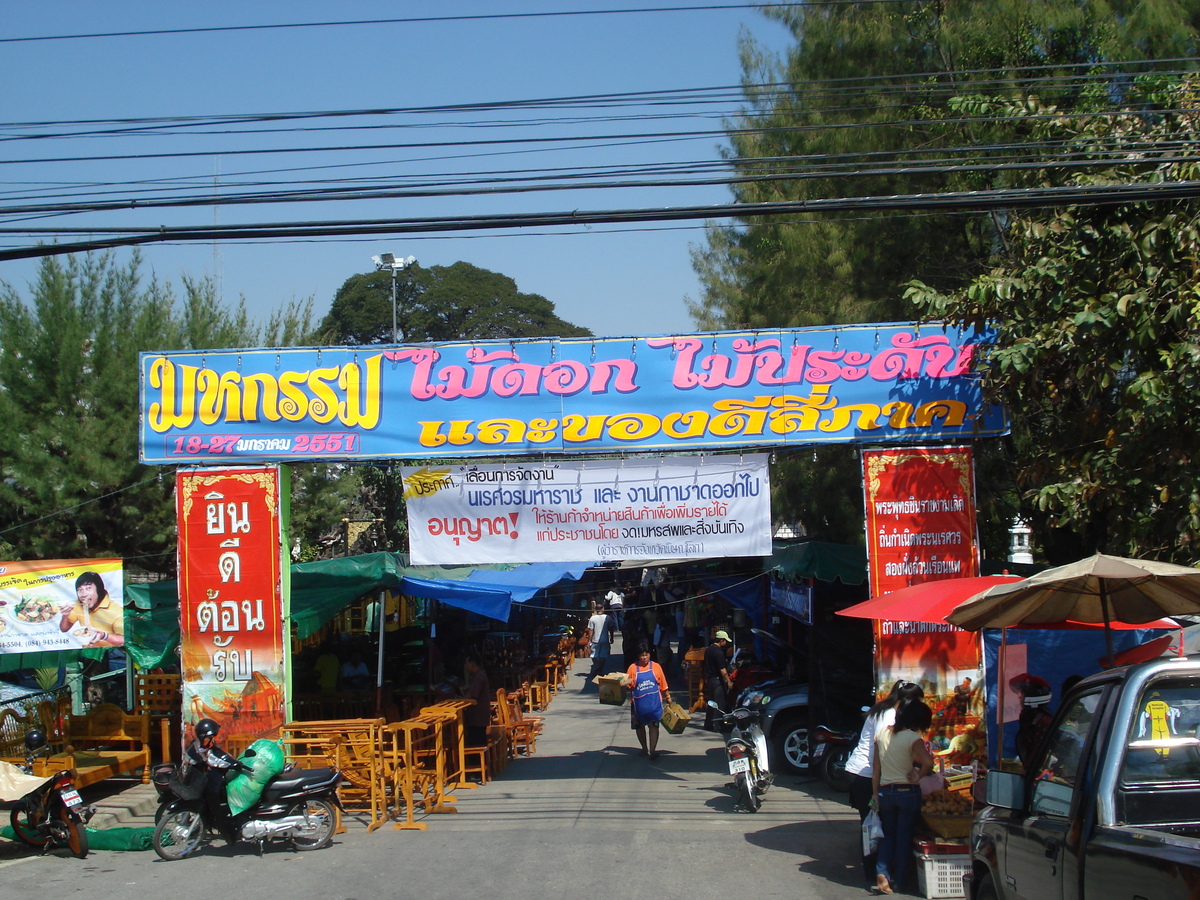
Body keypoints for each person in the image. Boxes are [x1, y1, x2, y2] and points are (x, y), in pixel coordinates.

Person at [845, 682, 924, 885]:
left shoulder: (884, 710)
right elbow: (882, 751)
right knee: (873, 825)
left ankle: (878, 871)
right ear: (910, 701)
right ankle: (874, 872)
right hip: (866, 774)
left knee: (875, 825)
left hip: (865, 773)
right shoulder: (888, 715)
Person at [872, 698, 935, 895]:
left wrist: (875, 796)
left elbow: (876, 771)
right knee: (903, 837)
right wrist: (918, 776)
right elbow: (928, 763)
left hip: (885, 791)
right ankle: (899, 881)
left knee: (888, 835)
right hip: (907, 793)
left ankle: (882, 872)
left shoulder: (881, 734)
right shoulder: (912, 738)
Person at [185, 717, 239, 837]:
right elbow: (207, 758)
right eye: (211, 736)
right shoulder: (197, 747)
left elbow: (216, 753)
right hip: (199, 778)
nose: (213, 739)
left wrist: (233, 762)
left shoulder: (204, 743)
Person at [624, 641, 671, 760]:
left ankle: (653, 750)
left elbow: (663, 684)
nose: (644, 658)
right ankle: (644, 748)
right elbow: (628, 685)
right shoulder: (632, 668)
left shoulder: (656, 667)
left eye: (646, 655)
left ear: (650, 654)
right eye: (642, 655)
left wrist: (668, 697)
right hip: (637, 704)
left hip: (654, 703)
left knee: (654, 726)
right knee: (639, 727)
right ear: (638, 656)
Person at [58, 571, 124, 647]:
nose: (83, 594)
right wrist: (65, 615)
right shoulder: (77, 605)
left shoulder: (117, 611)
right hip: (87, 651)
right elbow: (64, 629)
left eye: (88, 588)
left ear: (98, 590)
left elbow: (123, 640)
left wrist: (104, 636)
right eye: (80, 590)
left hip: (111, 653)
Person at [1012, 673, 1054, 765]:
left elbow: (1039, 756)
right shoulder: (1031, 718)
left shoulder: (1042, 722)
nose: (1019, 697)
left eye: (1022, 693)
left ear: (1032, 697)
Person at [703, 630, 734, 730]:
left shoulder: (708, 650)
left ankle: (708, 724)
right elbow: (722, 670)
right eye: (725, 641)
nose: (725, 643)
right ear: (721, 640)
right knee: (719, 703)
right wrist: (728, 681)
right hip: (717, 681)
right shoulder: (719, 652)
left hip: (710, 679)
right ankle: (718, 725)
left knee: (711, 703)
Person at [463, 654, 492, 748]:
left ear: (472, 664)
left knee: (476, 742)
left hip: (478, 717)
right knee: (479, 739)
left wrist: (462, 700)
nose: (466, 667)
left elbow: (472, 694)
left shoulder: (479, 676)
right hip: (479, 717)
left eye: (467, 664)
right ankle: (482, 761)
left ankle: (478, 762)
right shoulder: (479, 675)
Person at [585, 605, 615, 683]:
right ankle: (599, 669)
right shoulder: (607, 617)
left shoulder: (592, 618)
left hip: (595, 640)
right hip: (605, 640)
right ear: (603, 609)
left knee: (594, 655)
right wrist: (612, 637)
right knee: (603, 656)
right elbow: (611, 628)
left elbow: (591, 630)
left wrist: (589, 641)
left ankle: (597, 668)